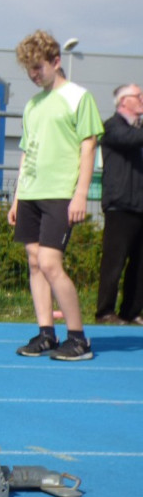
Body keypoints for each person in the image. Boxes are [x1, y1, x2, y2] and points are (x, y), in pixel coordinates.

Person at [8, 30, 104, 361]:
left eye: (39, 68)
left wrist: (80, 195)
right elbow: (26, 152)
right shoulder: (33, 105)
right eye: (29, 70)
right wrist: (17, 198)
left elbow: (88, 146)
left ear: (56, 61)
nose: (34, 76)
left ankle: (78, 339)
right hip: (31, 192)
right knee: (35, 263)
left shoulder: (79, 97)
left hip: (60, 193)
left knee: (50, 263)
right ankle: (46, 333)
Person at [96, 84, 143, 325]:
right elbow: (130, 140)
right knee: (114, 261)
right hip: (119, 205)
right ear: (124, 101)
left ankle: (131, 311)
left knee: (139, 264)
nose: (142, 99)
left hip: (139, 205)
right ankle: (105, 311)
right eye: (139, 95)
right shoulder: (112, 126)